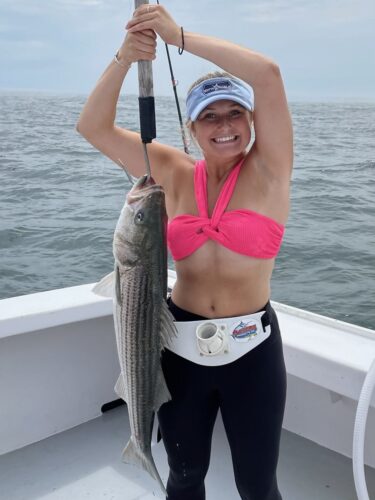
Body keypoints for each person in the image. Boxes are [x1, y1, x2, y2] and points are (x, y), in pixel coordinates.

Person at [76, 4, 293, 499]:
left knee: (258, 485)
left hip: (252, 348)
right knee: (185, 475)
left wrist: (178, 37)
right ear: (192, 128)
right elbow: (93, 127)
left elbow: (268, 74)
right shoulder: (170, 170)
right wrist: (125, 57)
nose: (224, 126)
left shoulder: (270, 169)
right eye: (209, 116)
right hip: (176, 345)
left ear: (252, 120)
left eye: (235, 112)